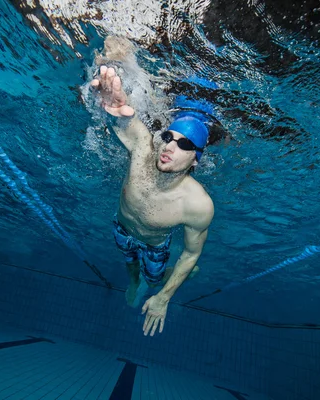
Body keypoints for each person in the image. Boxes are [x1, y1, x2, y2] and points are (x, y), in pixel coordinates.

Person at [90, 38, 215, 337]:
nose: (170, 145)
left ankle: (156, 284)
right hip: (121, 228)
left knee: (155, 278)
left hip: (155, 243)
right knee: (129, 263)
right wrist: (118, 107)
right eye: (169, 137)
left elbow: (190, 253)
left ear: (195, 160)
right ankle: (135, 282)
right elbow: (127, 120)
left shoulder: (197, 204)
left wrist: (163, 298)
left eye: (184, 144)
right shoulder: (144, 150)